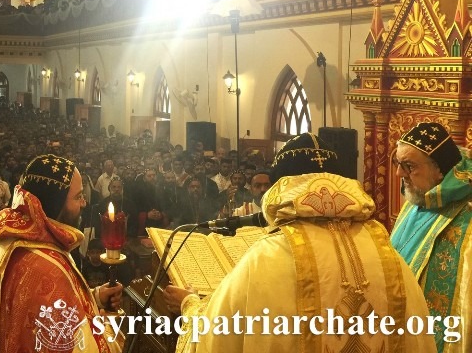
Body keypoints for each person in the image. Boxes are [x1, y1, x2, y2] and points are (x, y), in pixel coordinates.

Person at [163, 133, 436, 352]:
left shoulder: (268, 257)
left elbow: (216, 333)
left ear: (282, 186)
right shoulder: (386, 254)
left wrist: (189, 304)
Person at [0, 154, 123, 353]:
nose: (84, 203)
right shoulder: (46, 268)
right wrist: (107, 324)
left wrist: (93, 298)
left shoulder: (9, 238)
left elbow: (41, 310)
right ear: (55, 203)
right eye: (78, 197)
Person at [390, 122, 472, 352]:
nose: (399, 174)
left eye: (409, 166)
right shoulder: (417, 200)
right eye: (398, 164)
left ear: (439, 169)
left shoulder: (467, 215)